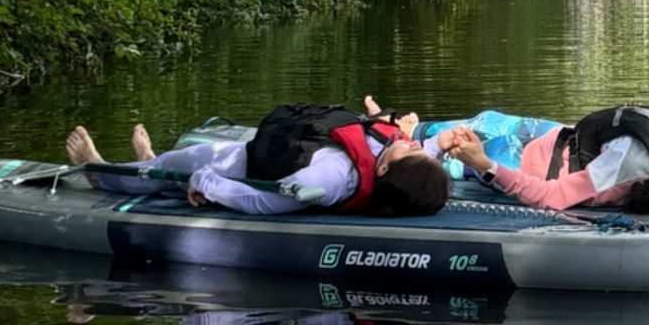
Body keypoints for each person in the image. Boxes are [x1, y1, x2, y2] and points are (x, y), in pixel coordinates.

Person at [65, 95, 450, 217]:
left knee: (169, 170)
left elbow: (267, 200)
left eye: (414, 149)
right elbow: (418, 163)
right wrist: (442, 144)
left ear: (383, 167)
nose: (415, 143)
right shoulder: (399, 163)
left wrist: (211, 185)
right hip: (271, 150)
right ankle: (151, 159)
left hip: (239, 164)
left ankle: (96, 170)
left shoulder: (331, 178)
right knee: (167, 164)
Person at [428, 104, 649, 213]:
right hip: (553, 134)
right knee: (482, 117)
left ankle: (394, 139)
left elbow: (551, 197)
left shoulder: (630, 166)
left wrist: (483, 165)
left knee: (437, 148)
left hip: (522, 162)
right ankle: (406, 126)